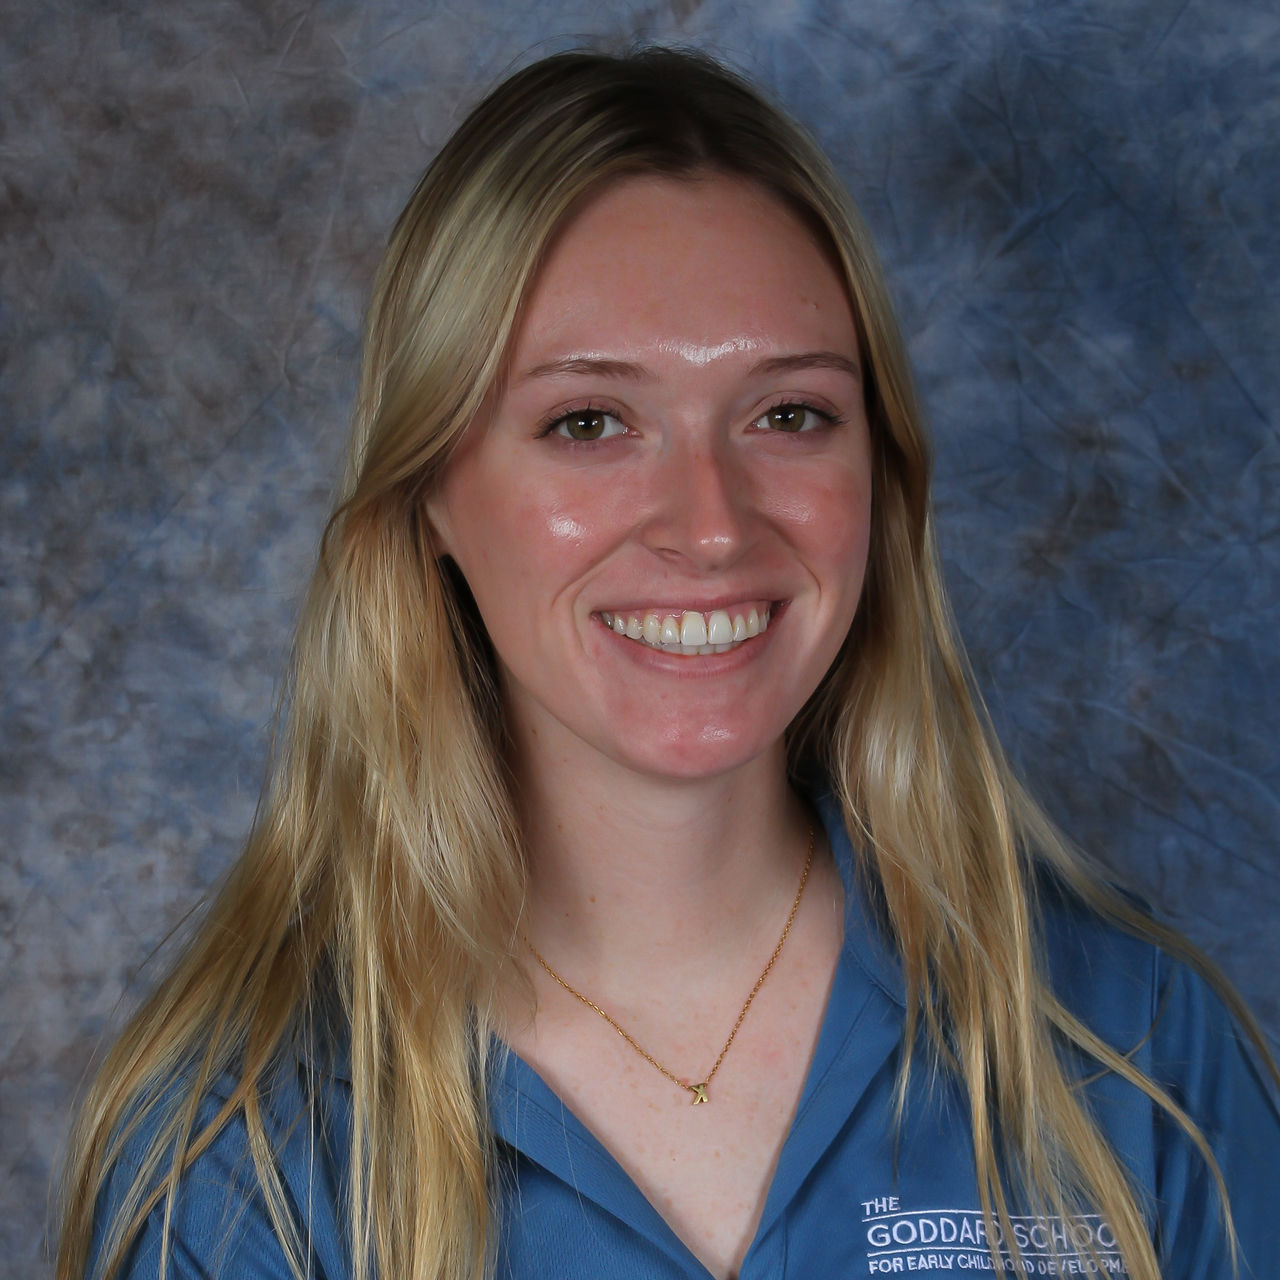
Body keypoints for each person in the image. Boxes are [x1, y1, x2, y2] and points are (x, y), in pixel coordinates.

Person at [57, 47, 1279, 1280]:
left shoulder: (1136, 1056)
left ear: (881, 475)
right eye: (588, 422)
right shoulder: (240, 1154)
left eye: (787, 414)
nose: (709, 526)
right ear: (429, 491)